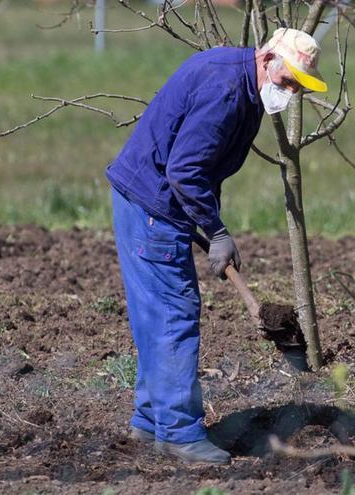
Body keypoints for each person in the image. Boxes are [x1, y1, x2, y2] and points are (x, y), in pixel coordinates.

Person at [105, 28, 327, 465]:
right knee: (173, 313)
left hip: (149, 197)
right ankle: (179, 432)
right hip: (153, 205)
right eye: (289, 81)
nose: (291, 91)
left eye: (299, 86)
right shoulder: (226, 92)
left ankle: (151, 421)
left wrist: (210, 231)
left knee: (159, 313)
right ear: (267, 59)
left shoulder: (244, 85)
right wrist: (217, 232)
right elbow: (186, 171)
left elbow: (203, 168)